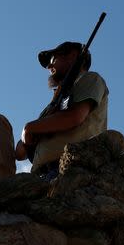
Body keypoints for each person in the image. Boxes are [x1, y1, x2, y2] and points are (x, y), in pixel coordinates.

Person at [15, 41, 109, 180]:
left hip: (72, 167)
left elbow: (75, 117)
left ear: (72, 56)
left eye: (53, 59)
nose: (49, 66)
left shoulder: (90, 78)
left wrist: (30, 128)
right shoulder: (55, 103)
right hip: (43, 173)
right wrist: (28, 136)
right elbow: (20, 153)